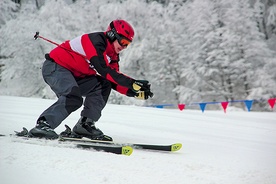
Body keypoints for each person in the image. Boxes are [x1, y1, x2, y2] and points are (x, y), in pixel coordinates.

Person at [29, 19, 153, 140]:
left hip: (76, 75)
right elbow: (103, 69)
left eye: (128, 44)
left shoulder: (113, 56)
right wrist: (132, 83)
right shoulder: (95, 41)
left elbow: (112, 79)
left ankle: (85, 124)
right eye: (123, 42)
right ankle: (43, 125)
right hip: (56, 67)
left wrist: (133, 91)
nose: (124, 47)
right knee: (73, 97)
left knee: (104, 84)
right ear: (112, 34)